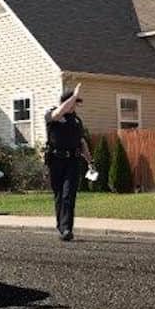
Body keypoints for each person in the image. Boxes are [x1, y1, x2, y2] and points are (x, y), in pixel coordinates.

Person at [44, 83, 92, 242]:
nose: (76, 106)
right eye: (74, 102)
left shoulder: (76, 121)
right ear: (67, 101)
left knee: (68, 194)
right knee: (59, 195)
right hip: (56, 160)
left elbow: (81, 141)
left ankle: (66, 229)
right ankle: (61, 226)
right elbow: (59, 113)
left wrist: (90, 161)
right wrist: (73, 95)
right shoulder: (52, 114)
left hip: (73, 160)